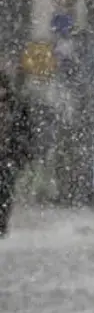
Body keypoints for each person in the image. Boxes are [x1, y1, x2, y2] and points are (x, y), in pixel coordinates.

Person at [0, 70, 35, 237]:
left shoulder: (17, 107)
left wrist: (20, 152)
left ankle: (1, 222)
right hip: (8, 155)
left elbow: (25, 132)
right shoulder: (16, 106)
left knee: (5, 190)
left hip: (7, 156)